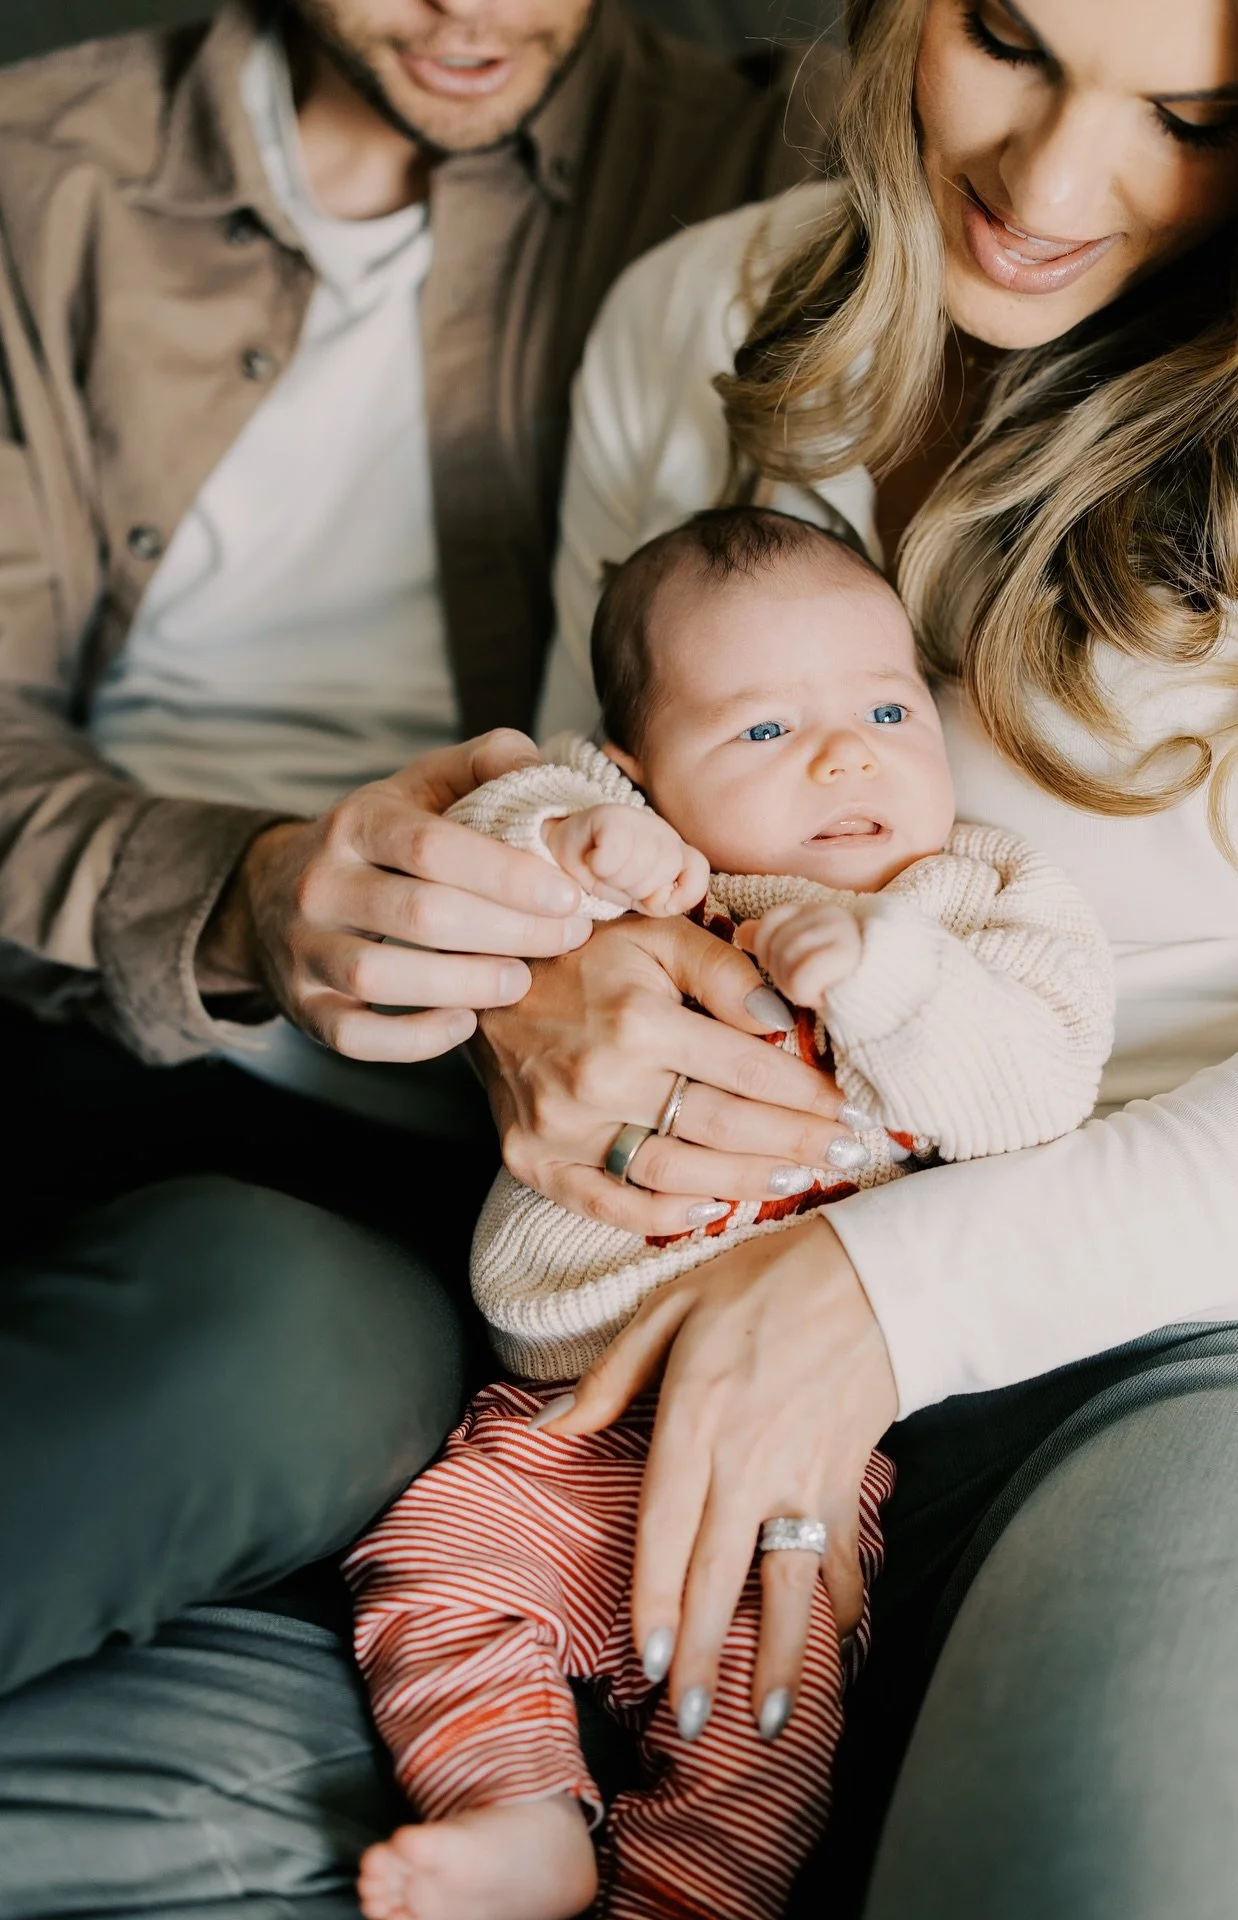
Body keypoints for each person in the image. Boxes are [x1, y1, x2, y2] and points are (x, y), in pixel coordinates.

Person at [454, 0, 1238, 1912]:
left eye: (1194, 115)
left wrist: (873, 1295)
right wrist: (530, 991)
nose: (1052, 185)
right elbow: (574, 795)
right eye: (1003, 40)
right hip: (702, 1255)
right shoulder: (692, 315)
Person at [0, 0, 837, 1910]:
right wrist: (247, 894)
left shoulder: (765, 175)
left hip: (450, 1144)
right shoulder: (35, 182)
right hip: (88, 980)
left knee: (288, 1347)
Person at [341, 505, 1112, 1920]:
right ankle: (519, 1811)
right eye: (762, 731)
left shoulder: (967, 901)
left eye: (887, 708)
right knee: (434, 1572)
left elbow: (1032, 1097)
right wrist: (583, 848)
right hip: (571, 1414)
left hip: (794, 1440)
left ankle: (680, 1903)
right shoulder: (635, 852)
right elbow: (492, 821)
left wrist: (889, 978)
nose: (845, 753)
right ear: (641, 774)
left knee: (765, 1712)